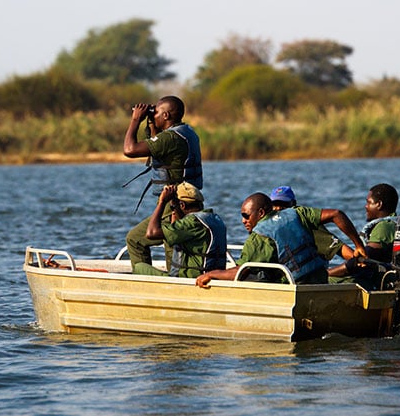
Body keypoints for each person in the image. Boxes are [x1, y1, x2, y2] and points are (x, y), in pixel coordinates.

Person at [123, 95, 203, 270]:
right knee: (173, 248)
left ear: (166, 116)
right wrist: (152, 123)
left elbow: (129, 150)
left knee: (135, 239)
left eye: (157, 112)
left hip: (173, 202)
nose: (154, 115)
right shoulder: (186, 132)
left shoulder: (170, 138)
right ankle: (173, 282)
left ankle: (145, 284)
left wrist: (136, 119)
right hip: (186, 200)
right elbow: (158, 147)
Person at [195, 193, 329, 287]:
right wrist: (352, 243)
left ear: (260, 213)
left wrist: (212, 274)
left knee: (255, 275)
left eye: (246, 216)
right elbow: (336, 214)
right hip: (320, 280)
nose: (243, 221)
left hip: (293, 286)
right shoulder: (295, 214)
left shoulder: (258, 236)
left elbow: (240, 272)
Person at [132, 182, 227, 279]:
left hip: (188, 279)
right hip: (209, 275)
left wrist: (162, 202)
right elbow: (175, 228)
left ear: (182, 205)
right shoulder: (213, 218)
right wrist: (175, 210)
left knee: (140, 267)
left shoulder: (191, 223)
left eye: (173, 206)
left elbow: (151, 233)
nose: (173, 210)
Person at [269, 185, 367, 264]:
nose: (278, 208)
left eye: (283, 204)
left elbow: (336, 215)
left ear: (293, 204)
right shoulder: (266, 224)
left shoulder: (305, 222)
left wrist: (359, 249)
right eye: (275, 204)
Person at [328, 183, 399, 289]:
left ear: (379, 204)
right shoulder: (392, 223)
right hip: (369, 277)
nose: (366, 207)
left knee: (324, 280)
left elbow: (364, 258)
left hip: (372, 282)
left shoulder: (384, 226)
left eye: (368, 202)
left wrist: (328, 272)